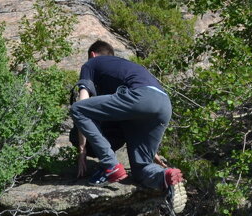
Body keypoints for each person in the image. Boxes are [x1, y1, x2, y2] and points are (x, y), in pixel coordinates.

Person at [69, 40, 184, 198]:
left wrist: (82, 149)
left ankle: (111, 166)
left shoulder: (92, 63)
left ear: (92, 55)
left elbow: (82, 103)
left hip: (140, 97)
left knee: (77, 109)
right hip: (164, 104)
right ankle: (164, 176)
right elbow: (143, 106)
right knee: (140, 169)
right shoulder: (125, 67)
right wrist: (152, 150)